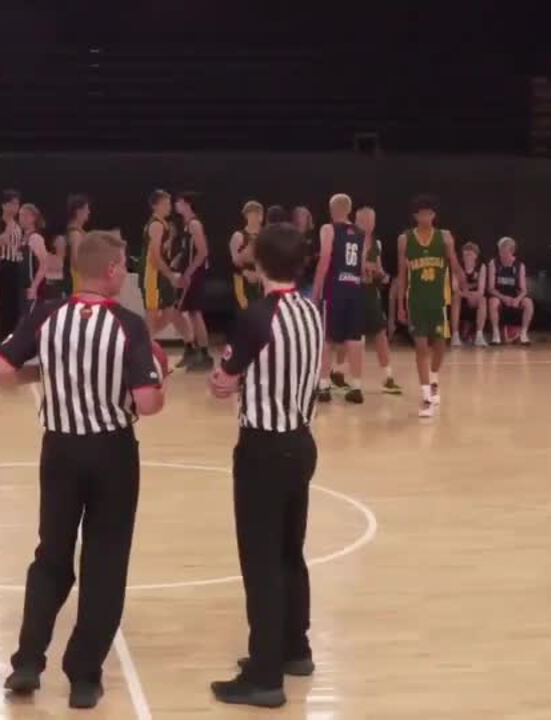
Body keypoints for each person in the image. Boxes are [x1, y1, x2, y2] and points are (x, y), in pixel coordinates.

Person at [0, 230, 166, 710]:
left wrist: (42, 372)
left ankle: (27, 661)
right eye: (123, 265)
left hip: (59, 450)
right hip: (112, 451)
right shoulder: (127, 324)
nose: (125, 272)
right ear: (109, 270)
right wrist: (158, 382)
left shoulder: (46, 315)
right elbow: (147, 403)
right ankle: (84, 677)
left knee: (52, 556)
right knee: (105, 563)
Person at [207, 222, 322, 709]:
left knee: (261, 562)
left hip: (263, 447)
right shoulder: (312, 311)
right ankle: (296, 649)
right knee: (290, 552)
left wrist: (221, 377)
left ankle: (265, 674)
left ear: (258, 264)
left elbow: (222, 382)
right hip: (301, 440)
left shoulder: (257, 317)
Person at [397, 194, 465, 418]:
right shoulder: (405, 239)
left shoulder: (444, 237)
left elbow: (454, 263)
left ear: (434, 215)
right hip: (416, 301)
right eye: (421, 213)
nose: (425, 217)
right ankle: (425, 396)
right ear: (415, 216)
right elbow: (402, 274)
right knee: (420, 348)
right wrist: (400, 305)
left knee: (440, 345)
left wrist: (462, 279)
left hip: (437, 301)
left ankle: (434, 378)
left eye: (429, 213)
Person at [312, 194, 366, 404]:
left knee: (327, 339)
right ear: (349, 210)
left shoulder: (328, 229)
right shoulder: (361, 233)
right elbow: (361, 268)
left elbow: (325, 260)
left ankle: (324, 386)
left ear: (332, 209)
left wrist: (316, 293)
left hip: (335, 289)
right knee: (354, 340)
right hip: (354, 288)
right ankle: (356, 387)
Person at [355, 206, 403, 394]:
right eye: (364, 220)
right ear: (357, 221)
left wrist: (381, 274)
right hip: (353, 292)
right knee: (349, 339)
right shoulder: (351, 242)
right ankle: (339, 374)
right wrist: (363, 269)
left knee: (380, 334)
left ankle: (388, 377)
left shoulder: (377, 243)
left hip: (371, 293)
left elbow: (380, 270)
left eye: (371, 220)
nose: (368, 223)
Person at [139, 189, 192, 344]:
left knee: (170, 312)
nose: (169, 206)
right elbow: (154, 257)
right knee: (152, 314)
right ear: (156, 206)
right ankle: (144, 351)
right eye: (165, 203)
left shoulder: (163, 224)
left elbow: (160, 251)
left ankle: (143, 342)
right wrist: (170, 275)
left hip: (160, 274)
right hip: (152, 275)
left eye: (169, 203)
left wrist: (170, 241)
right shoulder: (156, 225)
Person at [174, 191, 213, 370]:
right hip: (188, 271)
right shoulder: (186, 224)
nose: (176, 204)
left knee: (195, 313)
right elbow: (187, 249)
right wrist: (178, 259)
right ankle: (191, 349)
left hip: (194, 273)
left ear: (187, 204)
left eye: (179, 201)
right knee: (184, 312)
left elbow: (203, 251)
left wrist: (189, 271)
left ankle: (204, 354)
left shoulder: (195, 224)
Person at [487, 236, 534, 345]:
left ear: (512, 251)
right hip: (499, 295)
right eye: (500, 250)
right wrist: (503, 298)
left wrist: (517, 299)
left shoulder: (520, 265)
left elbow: (524, 290)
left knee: (528, 303)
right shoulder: (493, 263)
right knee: (493, 302)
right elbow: (490, 288)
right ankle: (496, 335)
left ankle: (523, 334)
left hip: (514, 296)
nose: (501, 254)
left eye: (504, 251)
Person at [0, 189, 26, 339]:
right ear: (4, 206)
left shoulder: (18, 225)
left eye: (17, 203)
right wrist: (6, 233)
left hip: (17, 266)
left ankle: (14, 342)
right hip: (4, 267)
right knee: (5, 306)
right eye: (12, 203)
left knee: (17, 307)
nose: (15, 207)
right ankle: (3, 342)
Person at [21, 203, 64, 309]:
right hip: (22, 287)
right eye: (20, 215)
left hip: (32, 288)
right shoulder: (22, 239)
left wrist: (34, 287)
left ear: (33, 218)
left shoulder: (35, 238)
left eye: (25, 215)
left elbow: (44, 264)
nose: (22, 219)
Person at [451, 242, 489, 347]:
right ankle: (455, 336)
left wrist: (472, 296)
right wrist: (467, 296)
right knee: (455, 297)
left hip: (475, 298)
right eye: (465, 255)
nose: (468, 257)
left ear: (476, 256)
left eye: (470, 254)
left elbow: (481, 290)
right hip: (462, 298)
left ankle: (479, 335)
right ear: (462, 256)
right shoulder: (457, 267)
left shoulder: (481, 267)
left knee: (483, 299)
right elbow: (455, 288)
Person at [229, 201, 265, 311]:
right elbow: (235, 261)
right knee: (246, 312)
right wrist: (246, 272)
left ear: (262, 216)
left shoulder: (267, 235)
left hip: (263, 280)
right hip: (243, 280)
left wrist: (260, 275)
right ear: (246, 216)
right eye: (251, 214)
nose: (254, 218)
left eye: (257, 214)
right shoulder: (238, 236)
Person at [61, 193, 91, 294]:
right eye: (86, 209)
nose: (89, 212)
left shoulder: (77, 232)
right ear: (79, 211)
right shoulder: (75, 234)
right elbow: (75, 261)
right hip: (77, 281)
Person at [292, 206, 318, 297]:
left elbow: (317, 254)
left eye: (303, 216)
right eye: (299, 216)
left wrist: (310, 258)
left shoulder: (313, 236)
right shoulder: (291, 234)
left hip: (309, 279)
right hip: (293, 279)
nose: (301, 218)